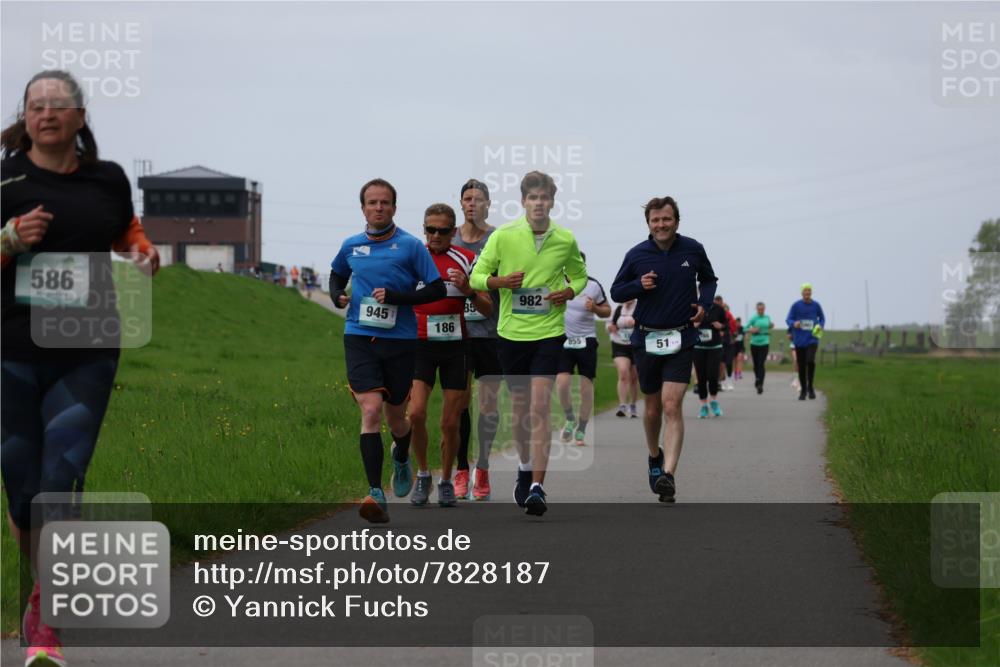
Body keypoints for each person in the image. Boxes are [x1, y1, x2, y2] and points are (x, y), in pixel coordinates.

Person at [1, 70, 161, 667]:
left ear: (80, 116)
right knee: (22, 494)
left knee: (59, 479)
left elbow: (123, 226)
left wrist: (141, 249)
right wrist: (10, 240)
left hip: (87, 347)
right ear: (26, 116)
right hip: (9, 350)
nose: (46, 114)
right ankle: (40, 582)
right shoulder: (5, 178)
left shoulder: (107, 178)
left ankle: (45, 618)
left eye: (58, 105)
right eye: (35, 105)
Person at [469, 171, 587, 516]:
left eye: (544, 198)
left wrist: (568, 291)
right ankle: (524, 468)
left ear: (552, 201)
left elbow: (578, 276)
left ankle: (537, 486)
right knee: (520, 412)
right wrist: (500, 281)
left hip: (549, 333)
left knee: (539, 408)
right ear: (523, 202)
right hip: (511, 335)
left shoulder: (565, 239)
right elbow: (477, 275)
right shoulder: (504, 236)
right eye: (533, 198)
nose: (539, 203)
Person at [330, 178, 445, 524]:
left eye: (385, 203)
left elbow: (436, 289)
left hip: (400, 340)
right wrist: (338, 296)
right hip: (359, 336)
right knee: (370, 410)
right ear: (363, 208)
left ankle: (401, 456)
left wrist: (398, 298)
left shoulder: (411, 246)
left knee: (397, 418)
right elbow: (335, 277)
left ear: (394, 207)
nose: (378, 208)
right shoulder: (351, 245)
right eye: (372, 203)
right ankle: (375, 493)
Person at [610, 195, 716, 504]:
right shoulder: (637, 254)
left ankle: (668, 475)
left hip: (681, 338)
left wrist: (704, 306)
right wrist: (638, 286)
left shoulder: (693, 249)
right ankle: (654, 456)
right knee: (652, 408)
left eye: (666, 219)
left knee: (672, 406)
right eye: (655, 220)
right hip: (646, 339)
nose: (661, 225)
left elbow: (709, 281)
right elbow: (617, 291)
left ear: (677, 221)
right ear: (648, 224)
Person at [407, 203, 491, 507]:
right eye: (430, 229)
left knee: (450, 422)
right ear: (424, 229)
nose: (436, 235)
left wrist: (468, 289)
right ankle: (423, 474)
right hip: (420, 345)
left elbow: (486, 307)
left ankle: (446, 480)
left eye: (443, 230)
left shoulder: (467, 259)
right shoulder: (413, 258)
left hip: (456, 347)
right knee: (415, 413)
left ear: (453, 232)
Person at [452, 179, 502, 501]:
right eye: (468, 199)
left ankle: (482, 465)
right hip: (456, 332)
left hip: (491, 331)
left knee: (487, 403)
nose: (473, 204)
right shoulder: (449, 237)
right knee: (459, 402)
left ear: (487, 205)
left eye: (479, 199)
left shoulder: (498, 239)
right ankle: (461, 468)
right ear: (461, 203)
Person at [556, 252, 611, 446]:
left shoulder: (593, 285)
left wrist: (595, 308)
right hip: (564, 339)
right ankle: (570, 418)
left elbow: (608, 311)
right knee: (562, 384)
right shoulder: (556, 282)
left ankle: (582, 428)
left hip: (586, 340)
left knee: (585, 387)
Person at [786, 283, 825, 400]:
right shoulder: (796, 306)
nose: (807, 293)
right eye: (805, 291)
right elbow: (788, 319)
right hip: (799, 340)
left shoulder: (816, 305)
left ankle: (810, 387)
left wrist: (820, 326)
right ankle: (803, 390)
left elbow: (822, 318)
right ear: (802, 293)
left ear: (811, 293)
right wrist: (794, 323)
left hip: (813, 338)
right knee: (802, 365)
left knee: (810, 361)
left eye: (809, 291)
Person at [693, 297, 727, 418]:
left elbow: (726, 324)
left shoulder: (718, 309)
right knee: (701, 377)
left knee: (713, 375)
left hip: (715, 346)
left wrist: (720, 326)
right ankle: (703, 405)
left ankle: (713, 401)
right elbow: (686, 324)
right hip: (698, 347)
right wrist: (695, 323)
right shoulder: (693, 308)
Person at [606, 299, 639, 418]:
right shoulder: (617, 309)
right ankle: (622, 405)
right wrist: (610, 327)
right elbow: (608, 324)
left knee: (634, 378)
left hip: (636, 345)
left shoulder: (639, 307)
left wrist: (636, 323)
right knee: (623, 373)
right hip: (619, 344)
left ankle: (633, 405)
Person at [745, 301, 775, 394]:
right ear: (757, 309)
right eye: (759, 309)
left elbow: (769, 325)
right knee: (756, 364)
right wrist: (752, 329)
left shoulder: (767, 317)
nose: (761, 310)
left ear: (764, 309)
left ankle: (760, 384)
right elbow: (744, 328)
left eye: (762, 309)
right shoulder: (754, 318)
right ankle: (757, 378)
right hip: (754, 343)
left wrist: (771, 325)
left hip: (765, 342)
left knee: (761, 363)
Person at [733, 317, 746, 381]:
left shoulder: (742, 329)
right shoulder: (733, 328)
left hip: (741, 346)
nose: (738, 323)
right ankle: (735, 373)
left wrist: (745, 336)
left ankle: (739, 372)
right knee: (735, 361)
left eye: (739, 322)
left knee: (740, 359)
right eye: (737, 322)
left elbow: (745, 336)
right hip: (734, 346)